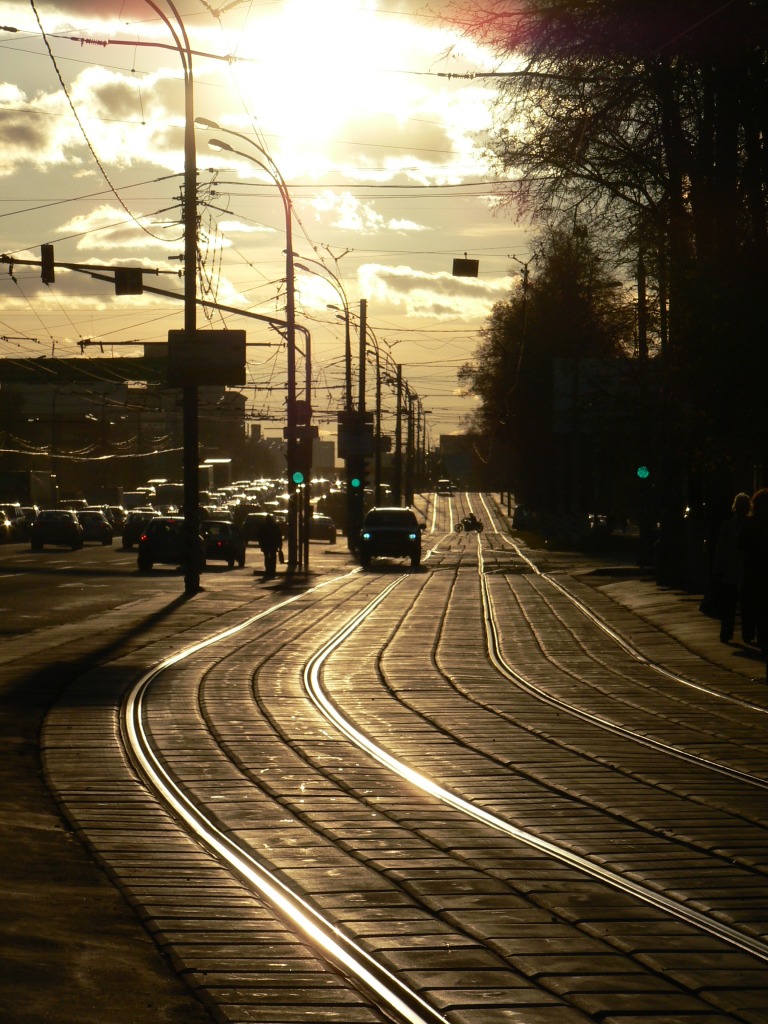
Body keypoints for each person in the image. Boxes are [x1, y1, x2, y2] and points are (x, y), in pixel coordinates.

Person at [711, 492, 752, 643]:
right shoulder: (751, 524)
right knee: (747, 605)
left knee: (729, 605)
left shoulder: (728, 526)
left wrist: (718, 568)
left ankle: (726, 632)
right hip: (745, 570)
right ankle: (747, 634)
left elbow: (721, 550)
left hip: (731, 570)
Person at [742, 488, 768, 672]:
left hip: (755, 573)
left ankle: (762, 641)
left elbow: (742, 547)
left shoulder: (750, 524)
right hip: (758, 572)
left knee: (759, 609)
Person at [255, 513, 283, 578]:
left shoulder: (263, 526)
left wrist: (261, 544)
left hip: (266, 544)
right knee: (272, 557)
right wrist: (280, 545)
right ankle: (272, 570)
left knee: (267, 557)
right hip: (273, 544)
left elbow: (259, 536)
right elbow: (279, 536)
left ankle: (268, 569)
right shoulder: (275, 526)